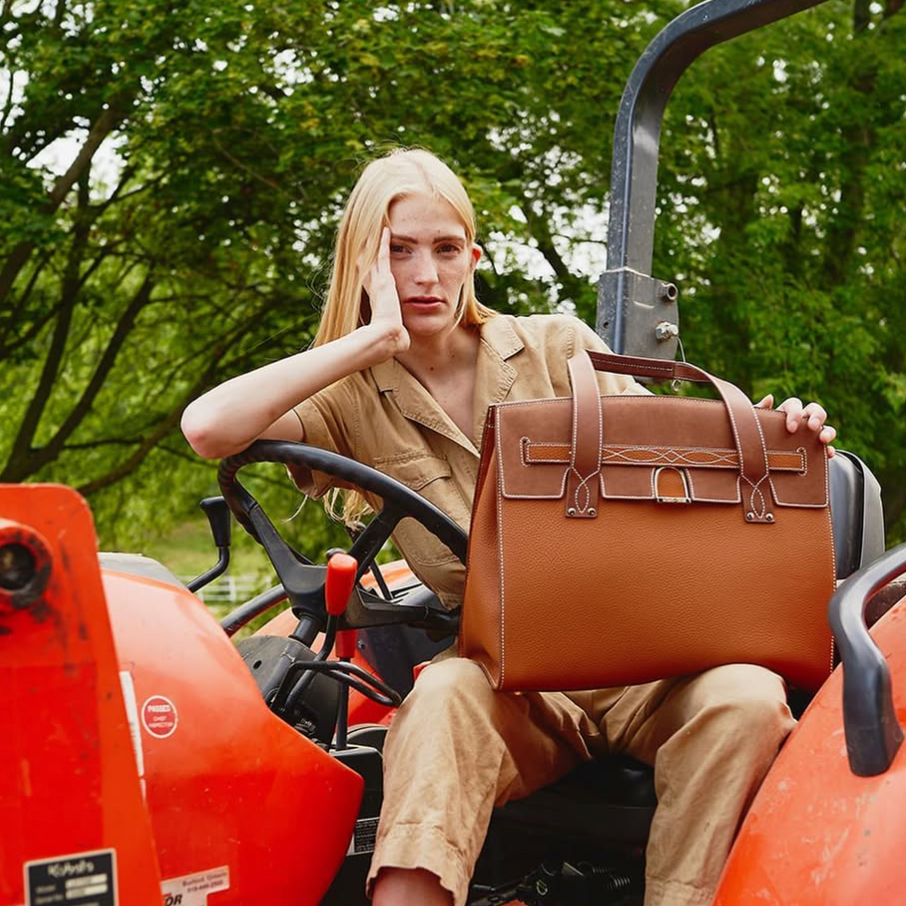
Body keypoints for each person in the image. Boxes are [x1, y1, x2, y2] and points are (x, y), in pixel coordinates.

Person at [181, 148, 837, 906]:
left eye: (445, 249)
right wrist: (371, 339)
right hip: (515, 684)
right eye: (398, 252)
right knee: (441, 694)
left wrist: (777, 426)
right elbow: (209, 428)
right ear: (363, 262)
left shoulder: (558, 348)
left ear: (474, 257)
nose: (425, 275)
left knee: (748, 697)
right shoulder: (350, 395)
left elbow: (667, 469)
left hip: (646, 667)